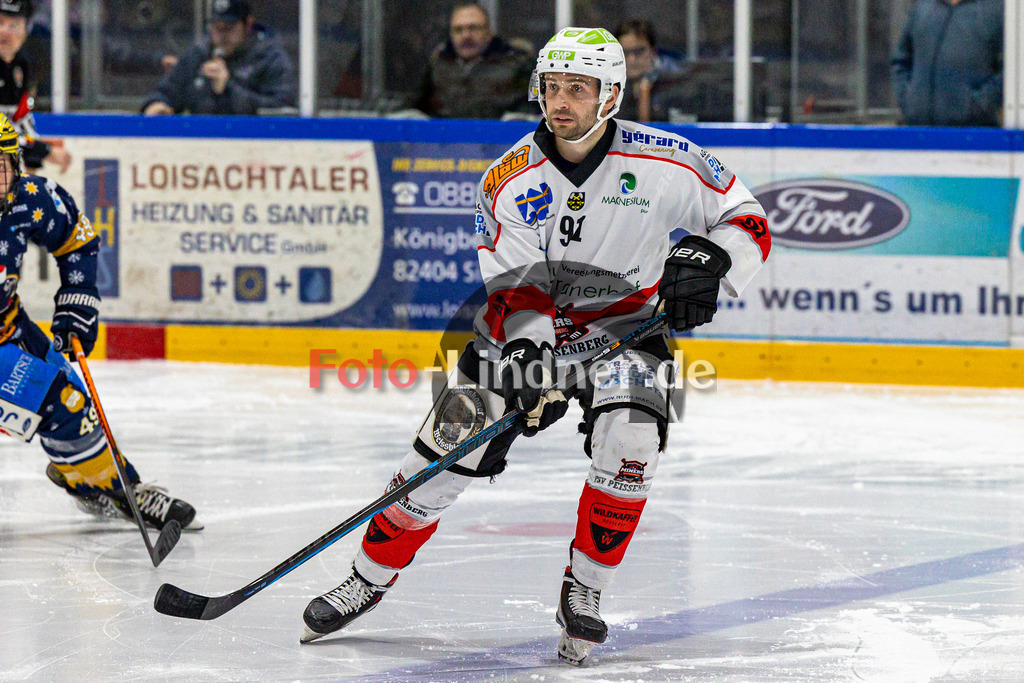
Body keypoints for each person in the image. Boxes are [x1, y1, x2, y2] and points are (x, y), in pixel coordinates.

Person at [300, 27, 771, 664]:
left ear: (611, 95)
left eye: (578, 88)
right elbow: (516, 288)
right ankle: (365, 579)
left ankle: (586, 592)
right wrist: (530, 361)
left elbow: (747, 219)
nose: (560, 101)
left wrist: (708, 259)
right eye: (552, 86)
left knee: (631, 442)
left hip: (627, 330)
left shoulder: (670, 161)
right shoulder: (509, 178)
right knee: (435, 462)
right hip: (522, 336)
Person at [0, 113, 198, 532]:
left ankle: (109, 487)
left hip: (8, 326)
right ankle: (105, 486)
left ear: (16, 166)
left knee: (73, 403)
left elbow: (76, 238)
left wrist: (76, 303)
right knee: (60, 402)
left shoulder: (27, 197)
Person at [141, 0, 296, 116]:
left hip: (254, 148)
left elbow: (283, 110)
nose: (221, 36)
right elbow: (167, 91)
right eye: (216, 28)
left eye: (228, 29)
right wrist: (155, 104)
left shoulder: (270, 58)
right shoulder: (199, 54)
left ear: (247, 25)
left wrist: (228, 89)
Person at [891, 0, 1003, 127]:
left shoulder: (996, 10)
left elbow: (1013, 70)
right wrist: (908, 101)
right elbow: (901, 60)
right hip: (919, 133)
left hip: (974, 137)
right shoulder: (921, 7)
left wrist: (979, 105)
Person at [414, 3, 533, 119]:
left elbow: (533, 109)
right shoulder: (437, 65)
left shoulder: (517, 64)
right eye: (458, 29)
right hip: (443, 137)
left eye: (473, 28)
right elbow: (417, 109)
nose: (466, 35)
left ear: (488, 31)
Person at [0, 0, 71, 172]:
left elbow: (19, 120)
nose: (5, 32)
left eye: (14, 25)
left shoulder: (21, 64)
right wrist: (42, 150)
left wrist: (33, 159)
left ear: (26, 30)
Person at [613, 18, 684, 122]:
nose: (631, 59)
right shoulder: (613, 83)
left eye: (639, 51)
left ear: (653, 51)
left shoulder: (677, 78)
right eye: (625, 52)